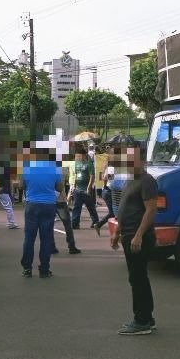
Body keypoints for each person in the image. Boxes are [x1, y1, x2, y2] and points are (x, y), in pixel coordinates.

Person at [109, 143, 159, 336]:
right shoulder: (131, 179)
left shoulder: (146, 180)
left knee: (137, 279)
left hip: (139, 237)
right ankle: (148, 318)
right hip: (128, 235)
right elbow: (124, 209)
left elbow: (151, 209)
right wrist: (117, 232)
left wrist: (138, 235)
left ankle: (142, 321)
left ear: (141, 160)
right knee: (137, 278)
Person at [20, 146, 63, 278]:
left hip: (32, 205)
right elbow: (59, 187)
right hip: (49, 206)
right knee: (46, 239)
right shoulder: (55, 169)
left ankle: (27, 268)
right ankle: (44, 269)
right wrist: (53, 196)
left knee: (29, 238)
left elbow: (23, 186)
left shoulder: (27, 168)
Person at [69, 145, 100, 232]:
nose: (77, 157)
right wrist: (73, 187)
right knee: (76, 207)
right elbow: (74, 175)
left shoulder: (89, 164)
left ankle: (95, 222)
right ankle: (75, 224)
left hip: (86, 190)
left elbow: (92, 176)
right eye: (76, 156)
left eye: (79, 156)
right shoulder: (76, 164)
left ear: (84, 155)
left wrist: (89, 187)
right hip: (78, 190)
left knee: (91, 207)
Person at [95, 160, 116, 231]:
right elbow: (105, 177)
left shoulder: (109, 168)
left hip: (107, 191)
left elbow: (102, 177)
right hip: (108, 192)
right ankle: (99, 224)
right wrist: (105, 186)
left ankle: (99, 225)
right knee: (113, 212)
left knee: (115, 212)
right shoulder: (111, 168)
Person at [0, 161, 17, 229]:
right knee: (9, 207)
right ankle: (11, 223)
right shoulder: (5, 173)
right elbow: (6, 184)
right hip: (3, 191)